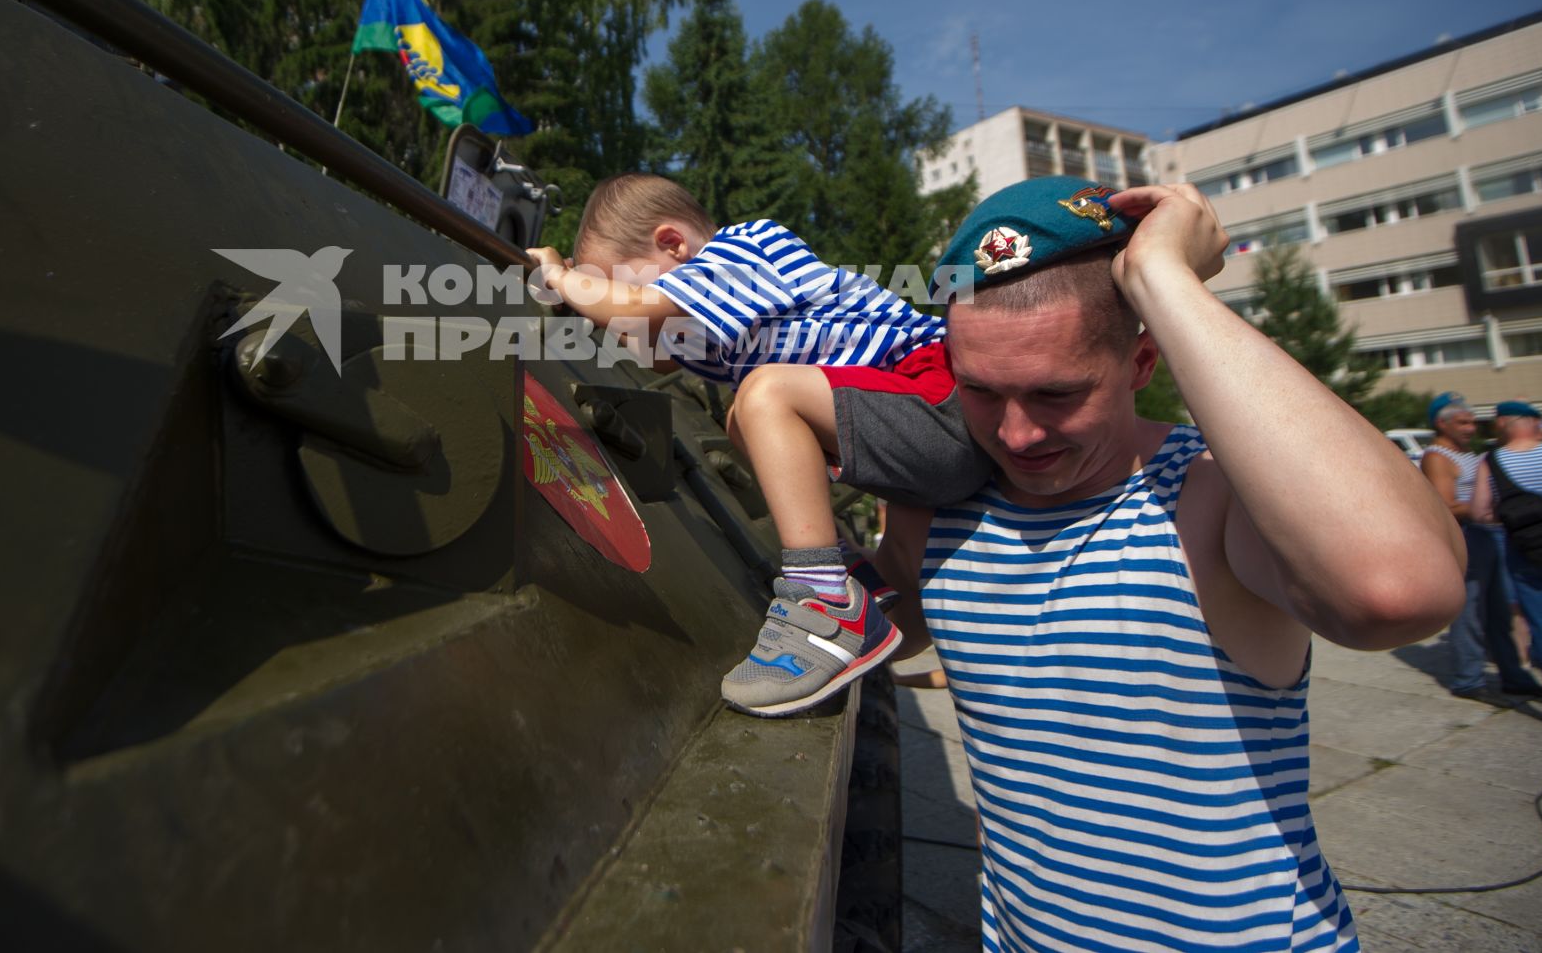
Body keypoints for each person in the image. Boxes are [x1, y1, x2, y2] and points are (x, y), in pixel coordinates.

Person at [870, 177, 1463, 951]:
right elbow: (890, 622)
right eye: (981, 391)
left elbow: (1398, 589)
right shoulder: (944, 502)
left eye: (1056, 393)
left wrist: (1163, 277)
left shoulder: (1206, 496)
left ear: (1144, 359)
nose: (1016, 436)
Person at [525, 173, 994, 716]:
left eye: (620, 284)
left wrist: (561, 277)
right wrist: (588, 307)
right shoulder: (711, 322)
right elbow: (654, 349)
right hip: (905, 422)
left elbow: (640, 308)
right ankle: (852, 590)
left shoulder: (744, 251)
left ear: (673, 244)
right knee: (746, 421)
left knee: (763, 395)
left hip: (934, 396)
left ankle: (826, 600)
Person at [1421, 393, 1542, 700]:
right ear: (1441, 423)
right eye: (1463, 422)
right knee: (1470, 612)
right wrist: (1499, 504)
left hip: (1489, 536)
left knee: (1500, 611)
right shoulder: (1438, 457)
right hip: (1468, 538)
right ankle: (1468, 679)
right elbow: (1446, 506)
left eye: (1473, 422)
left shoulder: (1468, 454)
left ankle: (1512, 675)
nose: (1471, 428)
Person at [1469, 401, 1542, 683]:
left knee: (1541, 622)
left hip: (1524, 549)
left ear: (1504, 424)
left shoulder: (1492, 461)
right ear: (1535, 424)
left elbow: (1480, 512)